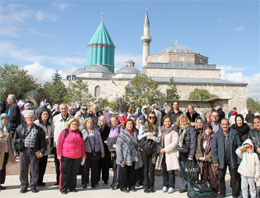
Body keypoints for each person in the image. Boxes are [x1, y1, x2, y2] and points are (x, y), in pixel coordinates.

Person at [12, 110, 46, 193]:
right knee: (23, 169)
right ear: (25, 119)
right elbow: (14, 139)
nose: (30, 119)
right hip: (23, 151)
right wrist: (15, 150)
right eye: (28, 118)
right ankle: (24, 186)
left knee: (34, 170)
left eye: (31, 117)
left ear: (34, 118)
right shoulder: (20, 127)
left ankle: (33, 186)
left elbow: (43, 143)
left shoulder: (39, 129)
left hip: (34, 151)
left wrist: (42, 151)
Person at [211, 119, 241, 198]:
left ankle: (235, 194)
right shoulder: (217, 135)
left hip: (232, 159)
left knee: (235, 177)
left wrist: (238, 159)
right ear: (221, 125)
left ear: (229, 124)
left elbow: (240, 147)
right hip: (221, 160)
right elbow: (214, 149)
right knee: (220, 177)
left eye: (226, 124)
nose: (225, 126)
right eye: (223, 124)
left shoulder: (234, 133)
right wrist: (215, 160)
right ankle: (222, 193)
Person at [56, 118, 86, 194]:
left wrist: (83, 154)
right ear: (69, 125)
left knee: (74, 173)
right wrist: (59, 154)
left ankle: (72, 187)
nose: (74, 126)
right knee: (65, 173)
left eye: (76, 124)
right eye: (73, 124)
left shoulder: (80, 133)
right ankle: (63, 188)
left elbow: (82, 145)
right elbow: (59, 143)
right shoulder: (65, 132)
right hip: (66, 156)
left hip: (77, 157)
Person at [116, 119, 142, 193]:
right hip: (125, 155)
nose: (130, 125)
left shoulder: (135, 132)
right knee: (124, 172)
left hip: (133, 155)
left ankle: (131, 185)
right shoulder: (122, 134)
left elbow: (137, 142)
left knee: (132, 172)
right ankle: (123, 186)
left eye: (131, 124)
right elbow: (118, 146)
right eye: (128, 124)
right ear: (125, 125)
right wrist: (120, 157)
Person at [138, 111, 161, 193]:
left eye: (153, 117)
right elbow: (139, 137)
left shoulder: (158, 127)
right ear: (147, 118)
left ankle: (151, 186)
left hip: (153, 150)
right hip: (144, 149)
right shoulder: (143, 126)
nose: (152, 119)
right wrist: (147, 134)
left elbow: (159, 139)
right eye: (150, 117)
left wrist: (152, 137)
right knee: (145, 168)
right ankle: (146, 186)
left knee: (152, 169)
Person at [156, 116, 179, 194]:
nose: (167, 123)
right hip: (162, 154)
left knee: (171, 171)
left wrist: (165, 149)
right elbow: (159, 141)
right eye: (166, 121)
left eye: (168, 121)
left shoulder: (174, 130)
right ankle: (165, 184)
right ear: (163, 122)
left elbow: (175, 143)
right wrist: (160, 149)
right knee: (164, 170)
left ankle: (171, 186)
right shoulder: (161, 131)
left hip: (170, 153)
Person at [175, 114, 197, 193]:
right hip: (181, 153)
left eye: (184, 121)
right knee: (182, 172)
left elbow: (193, 143)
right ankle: (184, 186)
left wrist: (191, 155)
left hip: (188, 153)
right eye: (181, 121)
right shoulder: (179, 129)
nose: (183, 123)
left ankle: (190, 188)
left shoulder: (191, 129)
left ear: (187, 121)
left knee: (189, 172)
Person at [52, 104, 73, 185]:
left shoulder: (72, 118)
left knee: (68, 165)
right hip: (57, 146)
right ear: (59, 109)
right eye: (62, 109)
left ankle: (68, 181)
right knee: (58, 165)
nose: (63, 110)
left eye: (65, 108)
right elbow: (53, 131)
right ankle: (59, 180)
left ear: (67, 109)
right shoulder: (55, 118)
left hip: (68, 146)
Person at [81, 118, 105, 188]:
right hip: (86, 152)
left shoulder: (96, 131)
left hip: (95, 152)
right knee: (85, 168)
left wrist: (102, 152)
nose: (90, 124)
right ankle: (84, 182)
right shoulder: (83, 132)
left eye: (91, 122)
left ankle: (93, 182)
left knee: (95, 168)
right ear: (86, 123)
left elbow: (100, 142)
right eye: (88, 122)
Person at [195, 123, 218, 193]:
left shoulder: (214, 137)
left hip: (211, 160)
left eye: (209, 129)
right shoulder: (200, 137)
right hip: (202, 160)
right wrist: (199, 157)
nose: (208, 130)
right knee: (203, 176)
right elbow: (198, 149)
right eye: (206, 129)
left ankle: (215, 191)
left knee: (213, 176)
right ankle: (205, 190)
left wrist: (206, 157)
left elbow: (214, 149)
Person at [34, 109, 53, 186]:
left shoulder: (49, 124)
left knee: (43, 165)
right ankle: (34, 181)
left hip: (46, 148)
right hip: (38, 148)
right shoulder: (37, 123)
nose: (45, 116)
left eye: (47, 114)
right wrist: (43, 137)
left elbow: (51, 133)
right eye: (44, 114)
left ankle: (40, 180)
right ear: (40, 115)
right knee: (36, 166)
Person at [0, 113, 15, 190]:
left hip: (5, 150)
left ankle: (1, 182)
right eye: (3, 119)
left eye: (6, 119)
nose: (5, 120)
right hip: (0, 151)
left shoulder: (6, 128)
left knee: (2, 167)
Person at [108, 116, 122, 190]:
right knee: (114, 167)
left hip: (119, 151)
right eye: (112, 121)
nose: (113, 122)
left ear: (117, 120)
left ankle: (117, 183)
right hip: (112, 150)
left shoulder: (120, 128)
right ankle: (114, 182)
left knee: (118, 167)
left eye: (115, 121)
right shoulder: (112, 129)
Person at [98, 115, 111, 185]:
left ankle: (105, 179)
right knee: (98, 165)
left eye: (103, 120)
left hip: (106, 148)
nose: (102, 121)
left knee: (105, 165)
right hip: (98, 149)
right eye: (101, 120)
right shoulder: (96, 128)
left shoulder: (108, 128)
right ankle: (97, 179)